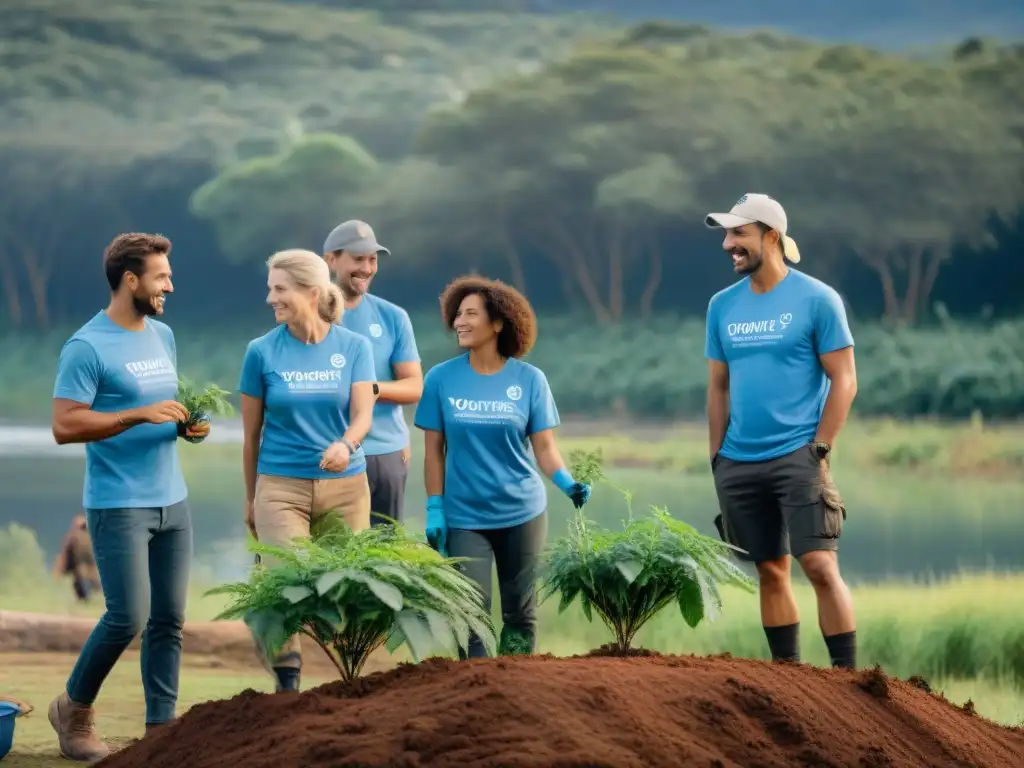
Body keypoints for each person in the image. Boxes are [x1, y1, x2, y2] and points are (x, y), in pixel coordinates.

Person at [48, 232, 210, 762]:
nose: (171, 284)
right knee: (127, 616)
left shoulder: (162, 335)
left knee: (168, 619)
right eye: (162, 276)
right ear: (130, 280)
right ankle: (73, 710)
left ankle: (161, 733)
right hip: (118, 502)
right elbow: (64, 425)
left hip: (172, 499)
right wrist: (134, 415)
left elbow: (161, 407)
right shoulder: (86, 346)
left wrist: (182, 427)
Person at [703, 193, 859, 670]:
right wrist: (717, 458)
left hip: (798, 454)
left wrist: (821, 447)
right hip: (738, 460)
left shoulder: (817, 299)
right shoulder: (722, 306)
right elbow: (717, 386)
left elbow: (845, 378)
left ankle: (849, 682)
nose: (729, 244)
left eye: (739, 234)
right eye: (727, 235)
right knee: (771, 571)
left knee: (819, 565)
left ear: (771, 236)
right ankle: (789, 680)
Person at [414, 276, 591, 659]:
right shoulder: (441, 378)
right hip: (464, 517)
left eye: (471, 314)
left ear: (498, 323)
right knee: (470, 614)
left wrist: (567, 483)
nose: (460, 321)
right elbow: (433, 453)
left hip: (522, 512)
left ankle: (516, 694)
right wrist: (434, 508)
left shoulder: (529, 380)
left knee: (520, 614)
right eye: (457, 313)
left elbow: (544, 448)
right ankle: (476, 698)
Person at [239, 248, 376, 693]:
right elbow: (251, 436)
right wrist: (250, 497)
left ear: (311, 292)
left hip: (347, 487)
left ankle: (350, 683)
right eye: (269, 288)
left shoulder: (354, 347)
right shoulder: (260, 352)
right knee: (287, 579)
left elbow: (363, 417)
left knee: (346, 586)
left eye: (279, 289)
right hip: (280, 487)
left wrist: (346, 444)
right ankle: (287, 680)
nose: (269, 298)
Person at [323, 220, 423, 527]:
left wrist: (370, 390)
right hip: (325, 453)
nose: (367, 268)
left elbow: (414, 386)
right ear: (331, 259)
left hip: (384, 455)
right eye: (358, 259)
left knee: (384, 558)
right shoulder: (309, 316)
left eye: (372, 259)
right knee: (329, 557)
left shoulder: (393, 317)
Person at [52, 514, 101, 603]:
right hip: (90, 568)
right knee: (92, 587)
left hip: (83, 568)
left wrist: (59, 570)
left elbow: (65, 554)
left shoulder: (73, 536)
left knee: (83, 586)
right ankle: (89, 601)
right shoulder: (93, 537)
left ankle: (86, 601)